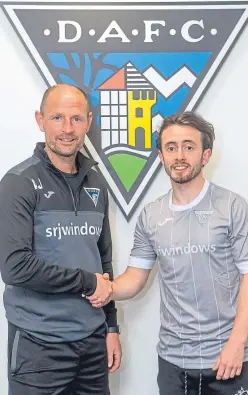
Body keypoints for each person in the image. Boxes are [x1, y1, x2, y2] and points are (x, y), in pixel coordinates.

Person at [88, 111, 248, 394]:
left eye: (189, 146)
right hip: (174, 361)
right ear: (161, 156)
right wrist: (105, 288)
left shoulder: (233, 207)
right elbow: (135, 278)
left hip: (229, 358)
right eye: (171, 148)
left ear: (205, 154)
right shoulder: (151, 215)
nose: (180, 156)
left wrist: (237, 343)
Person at [0, 84, 121, 395]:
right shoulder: (19, 182)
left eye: (77, 119)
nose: (68, 129)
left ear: (88, 121)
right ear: (40, 120)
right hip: (38, 346)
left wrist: (111, 327)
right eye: (57, 118)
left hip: (93, 343)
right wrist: (87, 282)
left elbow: (102, 260)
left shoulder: (96, 182)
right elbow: (15, 267)